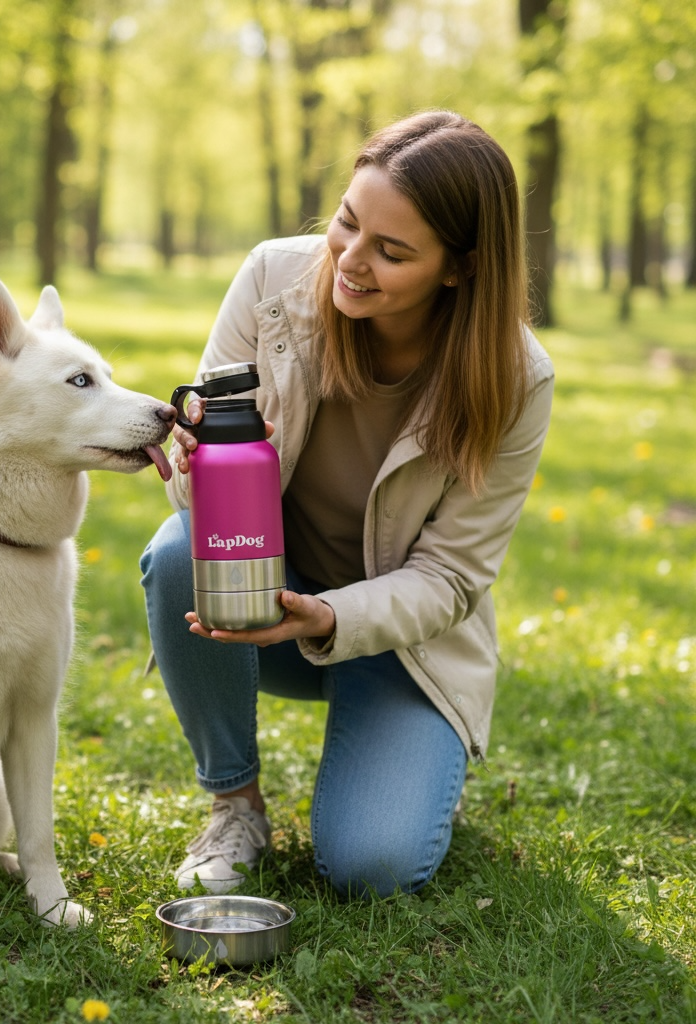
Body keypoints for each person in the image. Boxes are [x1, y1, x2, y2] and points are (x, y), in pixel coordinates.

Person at [140, 110, 555, 899]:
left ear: (459, 269)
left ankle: (408, 754)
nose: (351, 261)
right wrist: (202, 459)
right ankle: (236, 805)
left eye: (392, 252)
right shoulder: (271, 281)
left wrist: (330, 617)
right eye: (347, 223)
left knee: (372, 867)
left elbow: (454, 576)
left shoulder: (515, 378)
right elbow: (194, 503)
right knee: (172, 554)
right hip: (262, 602)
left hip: (399, 642)